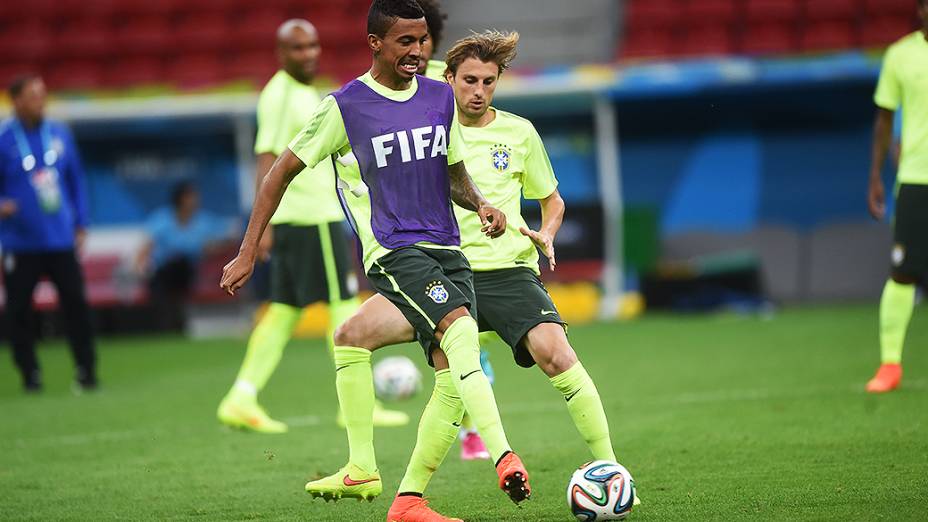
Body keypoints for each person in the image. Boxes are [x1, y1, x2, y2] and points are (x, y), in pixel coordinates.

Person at [219, 1, 531, 520]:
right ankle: (503, 454)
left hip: (448, 251)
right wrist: (249, 248)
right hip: (395, 251)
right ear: (375, 44)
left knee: (357, 339)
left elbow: (452, 170)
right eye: (405, 41)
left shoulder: (439, 95)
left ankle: (392, 490)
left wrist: (482, 204)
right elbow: (279, 172)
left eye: (422, 40)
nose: (417, 51)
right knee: (459, 340)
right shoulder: (345, 107)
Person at [216, 18, 407, 433]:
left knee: (282, 313)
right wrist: (260, 229)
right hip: (312, 217)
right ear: (280, 54)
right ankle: (357, 404)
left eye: (313, 46)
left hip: (298, 218)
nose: (309, 54)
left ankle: (241, 396)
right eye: (299, 48)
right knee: (343, 305)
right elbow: (267, 159)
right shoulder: (281, 95)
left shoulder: (299, 92)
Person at [0, 75, 97, 392]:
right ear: (15, 100)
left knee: (76, 305)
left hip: (60, 239)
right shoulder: (3, 138)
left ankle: (86, 371)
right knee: (18, 311)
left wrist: (81, 223)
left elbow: (76, 181)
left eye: (42, 95)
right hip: (20, 241)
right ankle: (30, 374)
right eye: (32, 96)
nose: (40, 101)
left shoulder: (59, 133)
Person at [865, 1, 928, 394]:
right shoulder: (899, 56)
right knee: (903, 271)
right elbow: (885, 117)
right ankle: (890, 364)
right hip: (916, 177)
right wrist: (875, 174)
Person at [135, 181, 234, 331]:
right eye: (191, 196)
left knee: (181, 263)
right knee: (166, 270)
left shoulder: (203, 221)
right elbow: (146, 248)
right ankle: (166, 325)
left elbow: (228, 239)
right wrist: (141, 267)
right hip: (163, 274)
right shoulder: (162, 219)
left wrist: (212, 248)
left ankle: (172, 324)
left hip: (188, 273)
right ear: (181, 199)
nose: (196, 199)